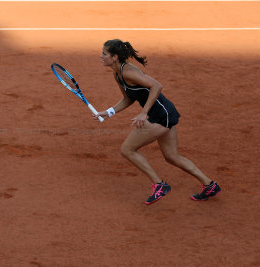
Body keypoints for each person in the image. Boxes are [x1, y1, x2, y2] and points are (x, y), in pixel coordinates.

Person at [93, 39, 221, 205]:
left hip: (161, 115)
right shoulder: (117, 73)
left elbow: (157, 86)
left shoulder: (127, 72)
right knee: (172, 157)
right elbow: (128, 98)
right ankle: (210, 185)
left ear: (115, 57)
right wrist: (109, 112)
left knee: (127, 149)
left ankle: (159, 184)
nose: (101, 56)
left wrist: (143, 112)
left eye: (104, 53)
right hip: (165, 113)